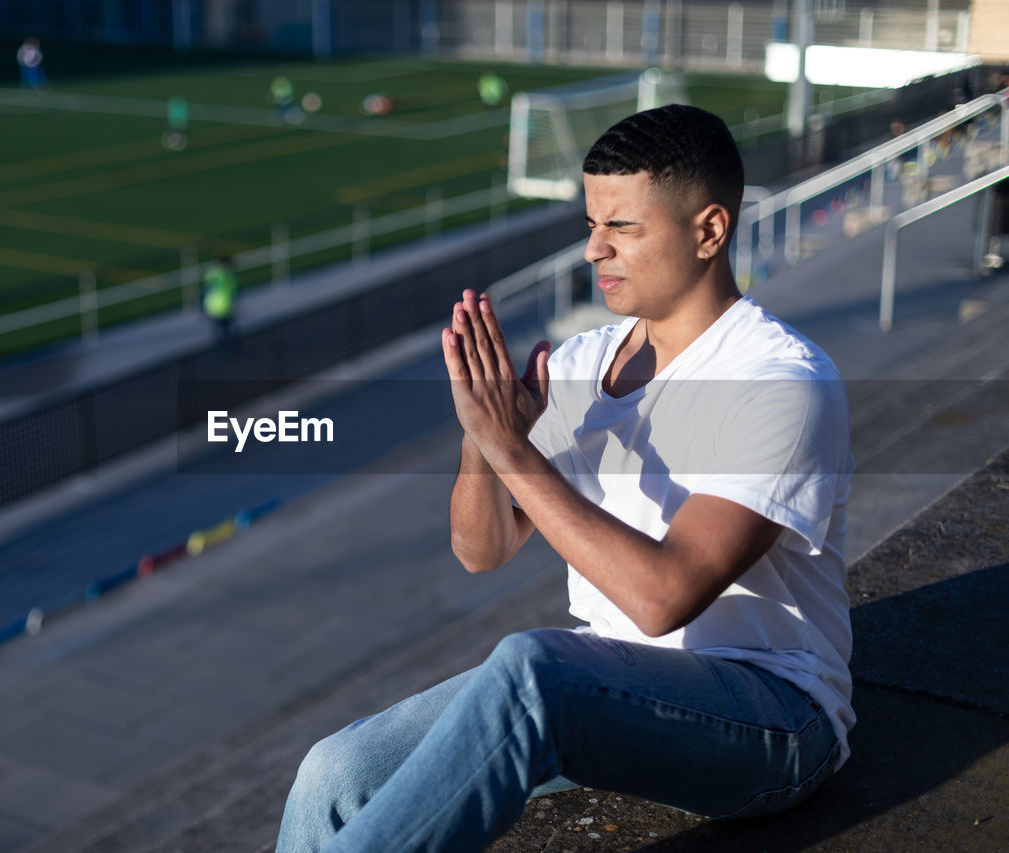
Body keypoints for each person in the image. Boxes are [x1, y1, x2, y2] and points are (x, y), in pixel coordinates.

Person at [276, 104, 854, 852]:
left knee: (533, 666)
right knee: (335, 769)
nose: (593, 250)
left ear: (709, 231)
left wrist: (514, 448)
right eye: (590, 223)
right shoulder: (583, 363)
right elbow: (482, 548)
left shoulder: (780, 380)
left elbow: (663, 596)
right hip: (609, 691)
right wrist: (484, 436)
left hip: (773, 714)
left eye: (623, 228)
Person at [201, 255, 238, 340]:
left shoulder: (212, 273)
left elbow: (205, 289)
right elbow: (233, 292)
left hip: (212, 306)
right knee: (227, 334)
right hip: (225, 307)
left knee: (218, 334)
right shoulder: (229, 276)